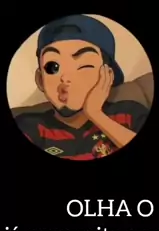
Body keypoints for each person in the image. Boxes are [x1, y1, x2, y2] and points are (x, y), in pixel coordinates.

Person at [14, 15, 149, 160]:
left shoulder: (129, 115)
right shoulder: (29, 127)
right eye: (53, 67)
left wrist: (96, 115)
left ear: (108, 75)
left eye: (84, 66)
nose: (65, 77)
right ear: (40, 80)